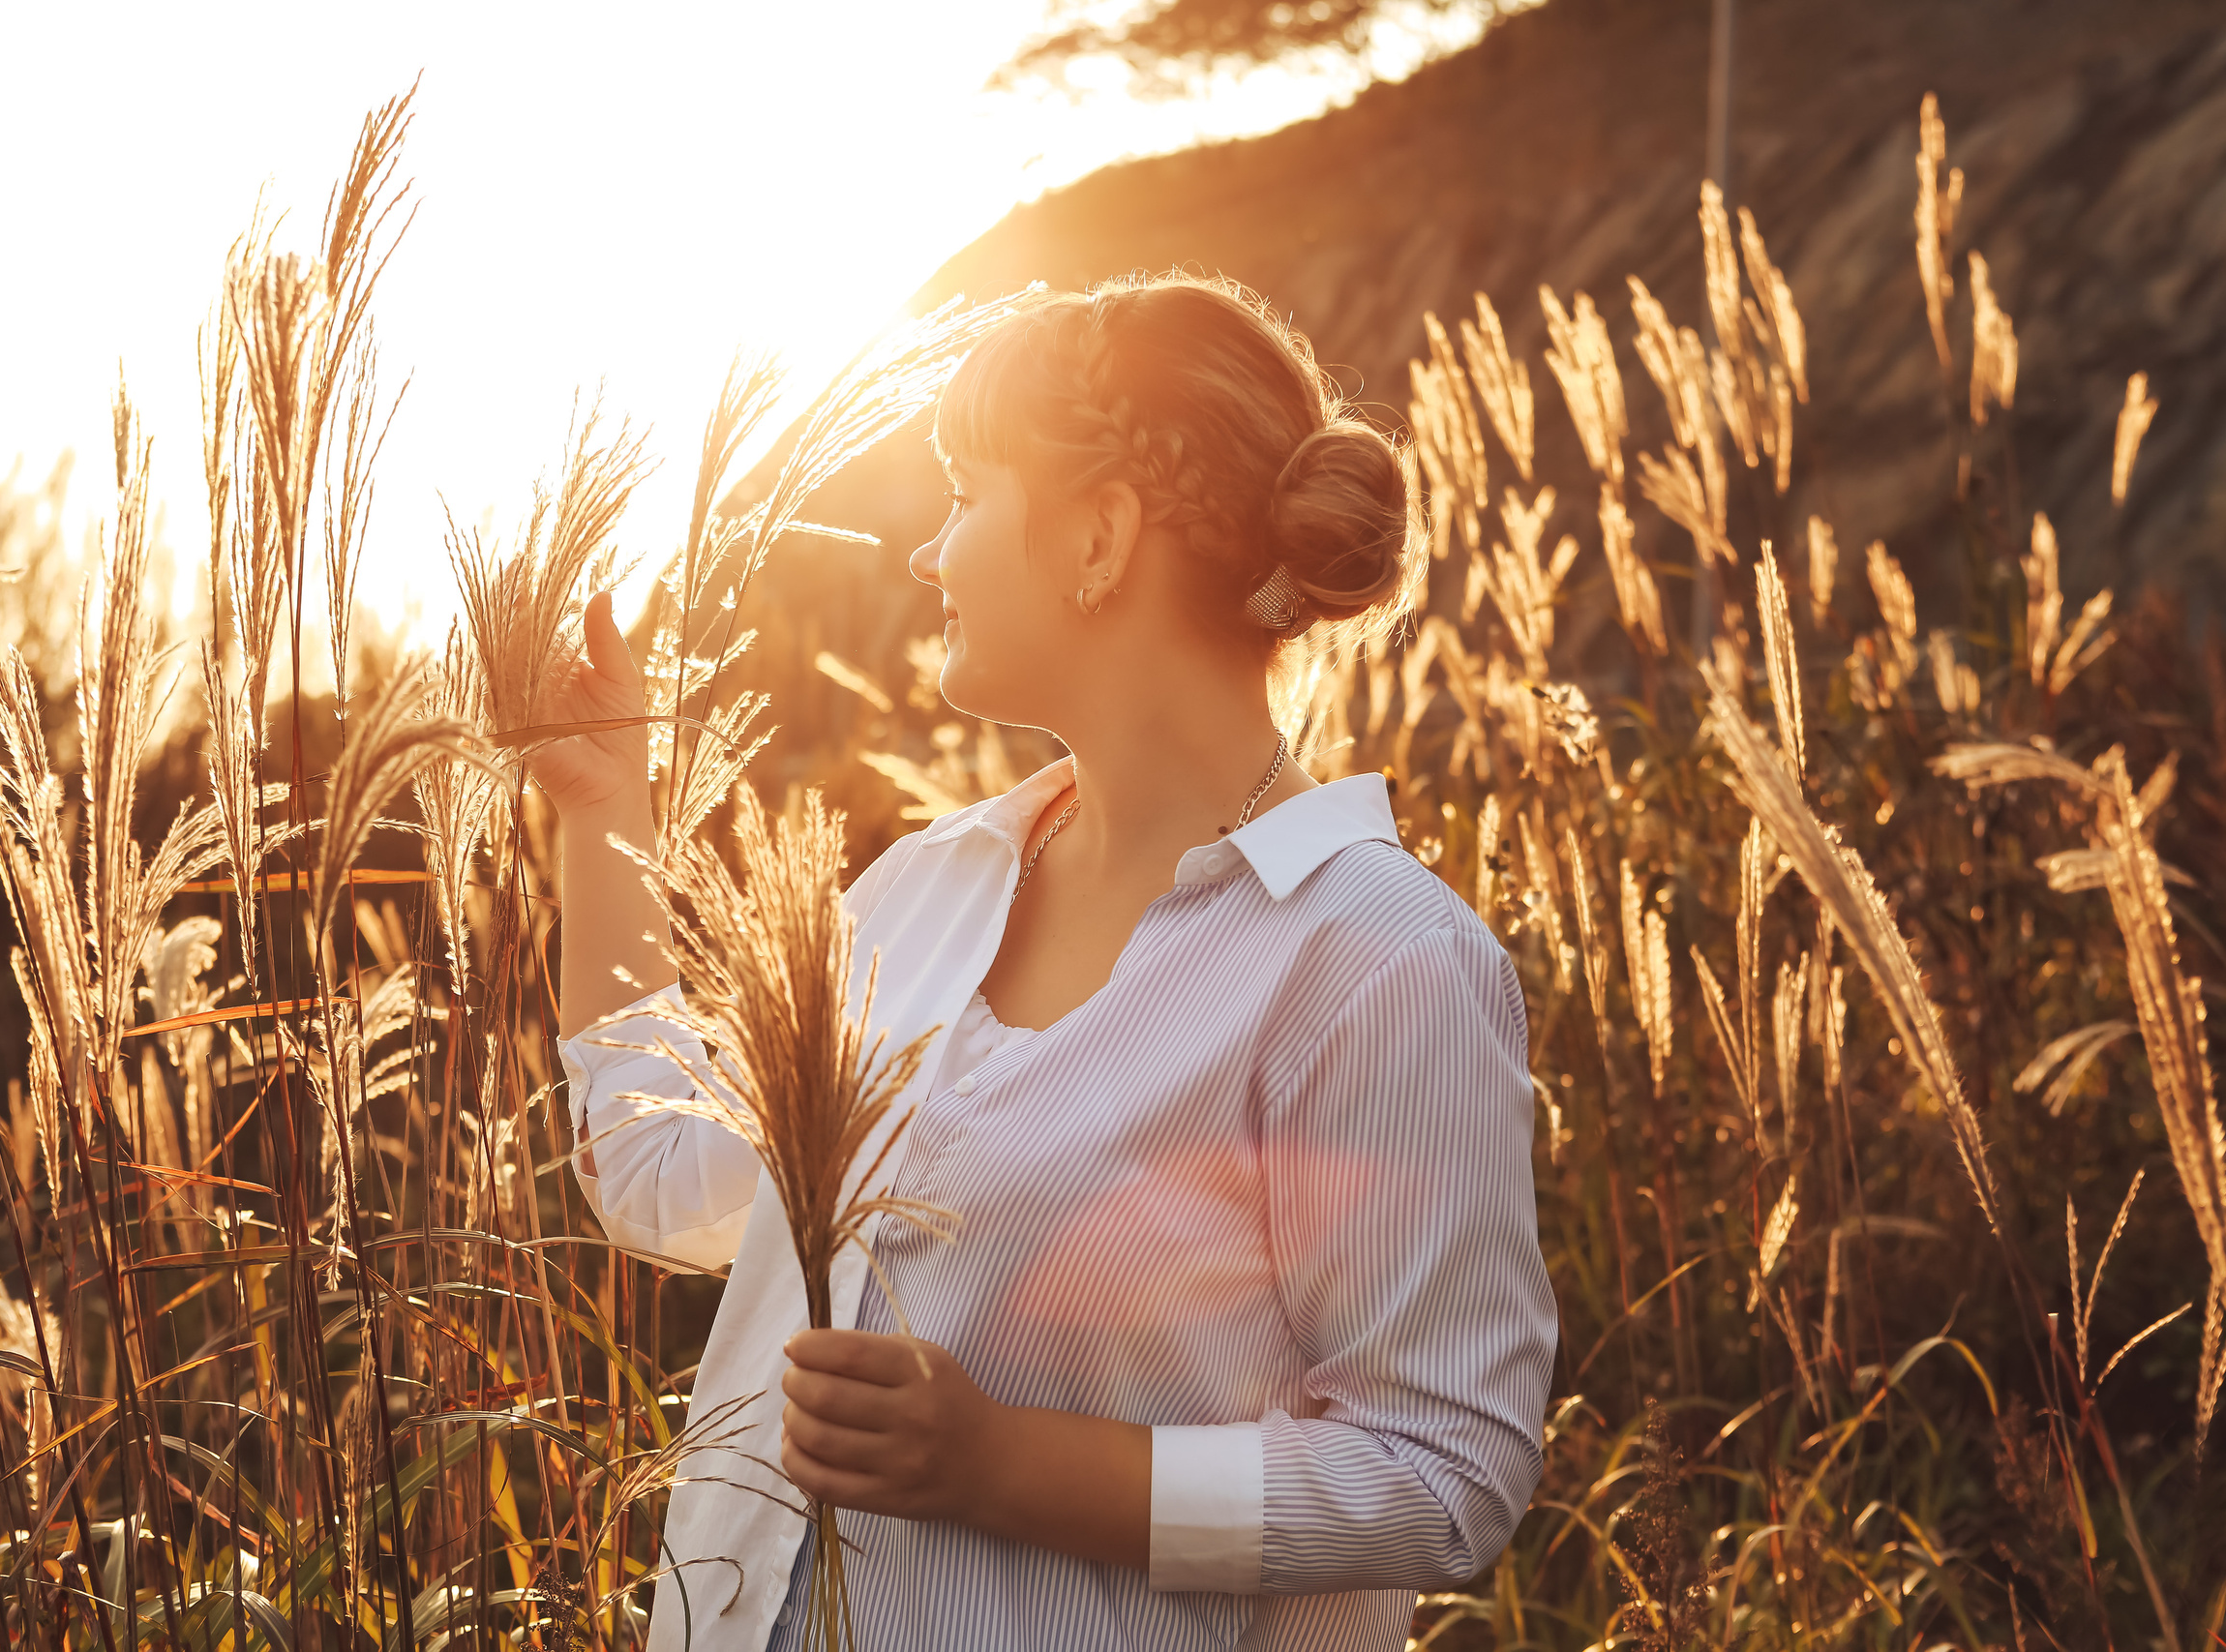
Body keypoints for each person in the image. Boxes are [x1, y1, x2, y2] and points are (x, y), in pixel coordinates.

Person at [538, 276, 1555, 1652]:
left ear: (1098, 532)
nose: (930, 553)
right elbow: (673, 1181)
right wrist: (604, 815)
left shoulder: (1378, 961)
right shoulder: (919, 894)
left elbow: (1443, 1475)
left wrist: (1007, 1465)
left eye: (966, 490)